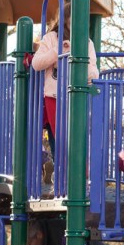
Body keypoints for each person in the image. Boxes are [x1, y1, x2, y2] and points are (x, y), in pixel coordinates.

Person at [29, 9, 100, 155]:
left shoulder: (86, 42)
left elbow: (93, 74)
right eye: (73, 19)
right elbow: (36, 63)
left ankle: (79, 171)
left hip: (77, 97)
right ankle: (62, 170)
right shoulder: (51, 38)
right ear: (65, 20)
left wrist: (74, 61)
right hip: (54, 96)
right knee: (59, 139)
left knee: (76, 138)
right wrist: (57, 52)